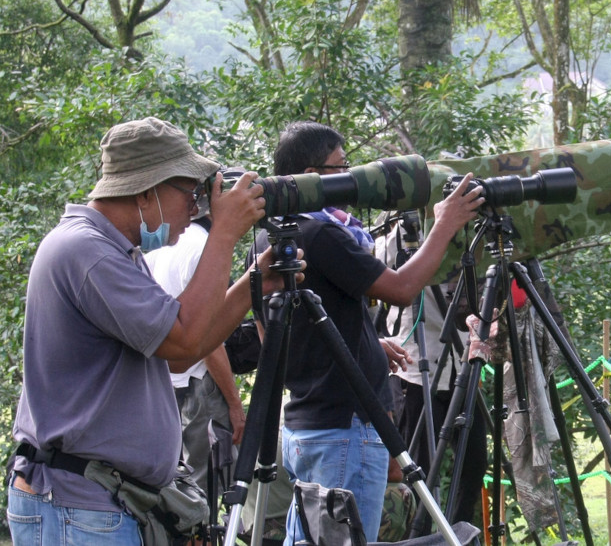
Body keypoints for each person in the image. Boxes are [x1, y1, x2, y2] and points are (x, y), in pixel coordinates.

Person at [7, 116, 298, 546]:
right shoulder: (88, 252)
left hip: (92, 503)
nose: (196, 208)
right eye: (190, 195)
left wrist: (254, 283)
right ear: (146, 193)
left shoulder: (109, 249)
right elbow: (183, 337)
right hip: (79, 506)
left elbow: (180, 351)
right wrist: (224, 232)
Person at [255, 121, 483, 544]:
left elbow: (280, 328)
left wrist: (359, 342)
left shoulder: (275, 233)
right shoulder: (322, 233)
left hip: (307, 425)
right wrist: (446, 223)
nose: (352, 178)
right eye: (341, 167)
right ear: (313, 175)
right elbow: (400, 289)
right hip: (345, 427)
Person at [375, 219, 488, 533]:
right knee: (418, 469)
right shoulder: (394, 234)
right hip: (414, 364)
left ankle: (457, 534)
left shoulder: (467, 228)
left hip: (460, 360)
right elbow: (390, 283)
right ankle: (418, 536)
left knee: (475, 462)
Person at [145, 212, 247, 496]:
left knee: (175, 479)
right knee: (210, 483)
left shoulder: (163, 244)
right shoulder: (205, 250)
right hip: (199, 382)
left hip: (163, 382)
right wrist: (234, 404)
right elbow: (209, 339)